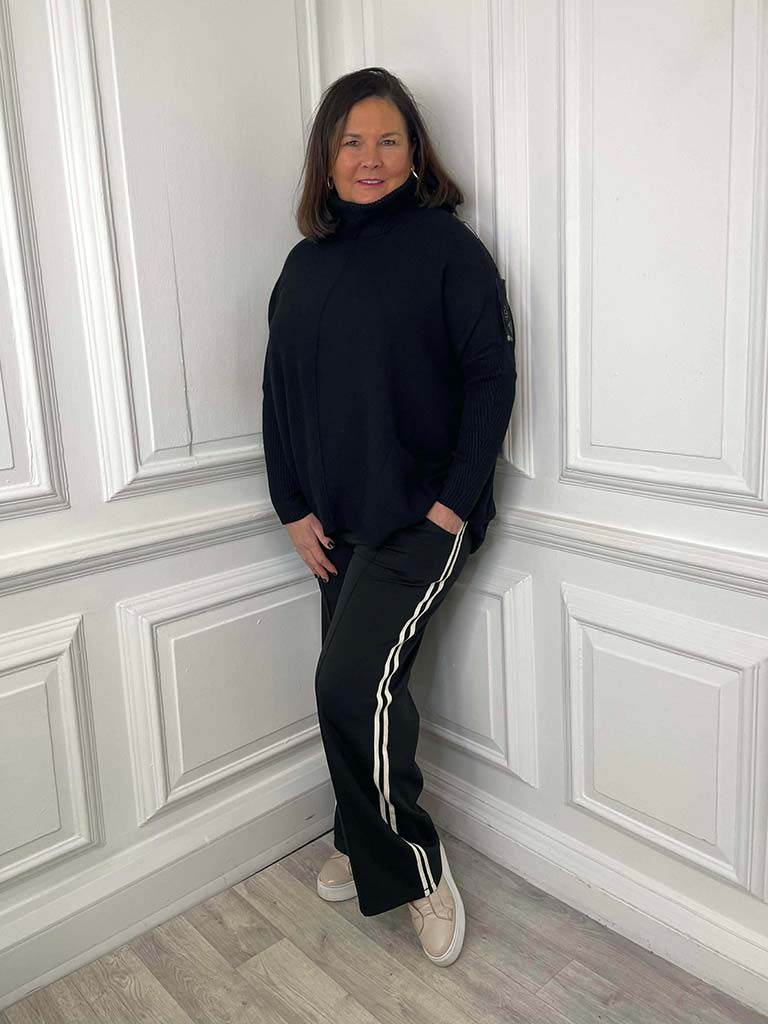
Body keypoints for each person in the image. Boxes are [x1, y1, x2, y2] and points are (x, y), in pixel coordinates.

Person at [261, 67, 517, 966]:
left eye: (388, 140)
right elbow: (277, 394)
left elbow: (491, 379)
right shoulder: (303, 266)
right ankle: (358, 833)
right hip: (333, 525)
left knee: (346, 686)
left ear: (415, 153)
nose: (369, 158)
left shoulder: (448, 250)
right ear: (325, 158)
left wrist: (452, 507)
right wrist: (291, 507)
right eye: (351, 141)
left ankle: (413, 866)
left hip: (420, 519)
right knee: (369, 685)